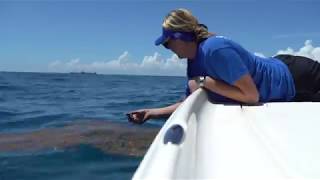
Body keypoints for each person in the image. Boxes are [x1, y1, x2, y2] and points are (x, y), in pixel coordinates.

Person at [127, 8, 320, 124]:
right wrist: (152, 113)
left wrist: (204, 81)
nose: (166, 47)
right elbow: (188, 103)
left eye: (167, 42)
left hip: (296, 76)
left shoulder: (215, 50)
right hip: (287, 84)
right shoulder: (193, 64)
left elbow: (251, 96)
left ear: (182, 37)